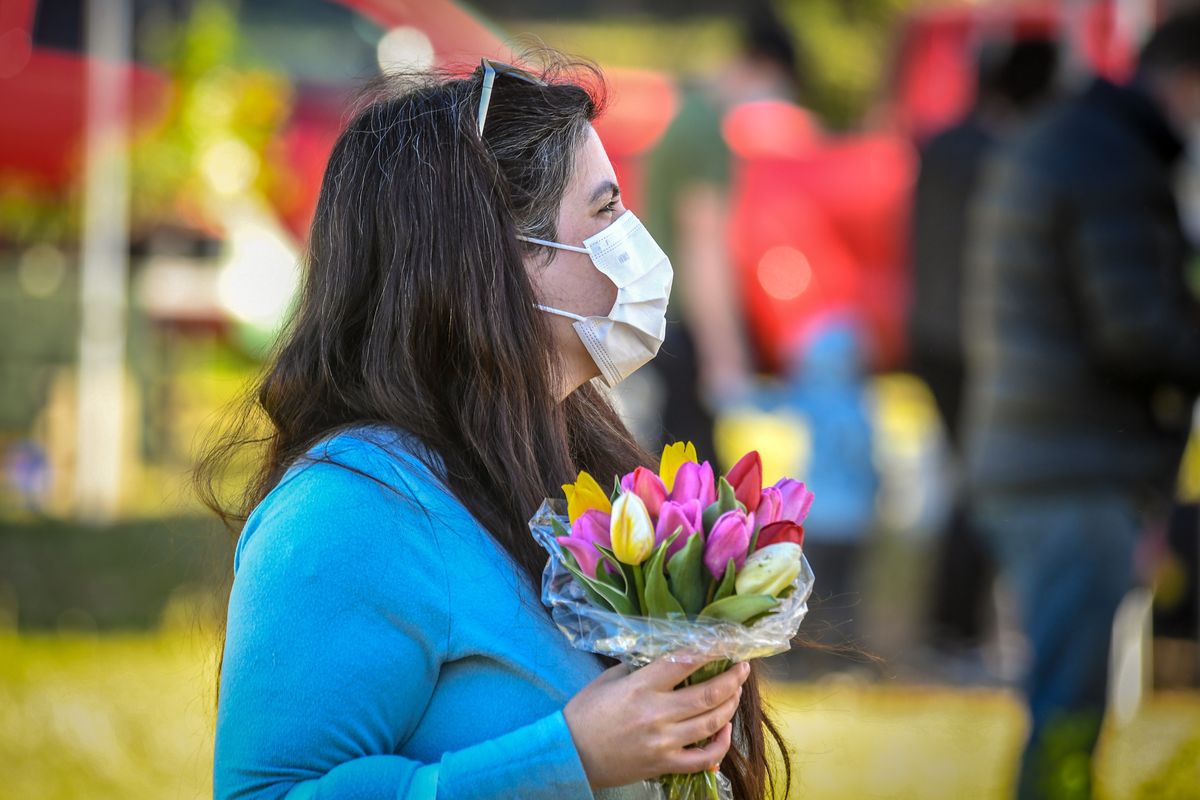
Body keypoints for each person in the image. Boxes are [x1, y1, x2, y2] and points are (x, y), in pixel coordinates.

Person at [199, 55, 791, 799]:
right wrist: (567, 759)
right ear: (498, 260)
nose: (636, 242)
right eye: (606, 211)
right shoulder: (347, 514)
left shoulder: (567, 458)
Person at [963, 11, 1200, 798]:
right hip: (1070, 466)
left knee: (1065, 694)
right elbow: (1137, 330)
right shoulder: (1110, 160)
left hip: (1037, 453)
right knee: (1069, 704)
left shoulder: (1076, 138)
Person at [909, 36, 1060, 660]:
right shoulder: (1011, 156)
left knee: (966, 480)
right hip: (981, 341)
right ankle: (960, 628)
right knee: (982, 483)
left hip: (930, 333)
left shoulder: (942, 145)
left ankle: (957, 623)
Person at [640, 1, 804, 466]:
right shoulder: (706, 130)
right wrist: (724, 355)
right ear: (767, 68)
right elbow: (703, 246)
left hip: (666, 318)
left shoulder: (687, 111)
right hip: (685, 325)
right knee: (696, 480)